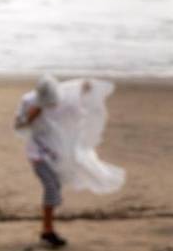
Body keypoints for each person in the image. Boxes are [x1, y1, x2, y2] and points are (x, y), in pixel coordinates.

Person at [14, 75, 125, 248]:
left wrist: (85, 88)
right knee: (51, 188)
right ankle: (47, 231)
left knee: (56, 188)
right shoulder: (28, 101)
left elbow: (79, 108)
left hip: (57, 151)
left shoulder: (64, 99)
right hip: (37, 152)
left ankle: (48, 227)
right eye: (49, 102)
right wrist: (30, 117)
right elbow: (18, 126)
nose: (52, 105)